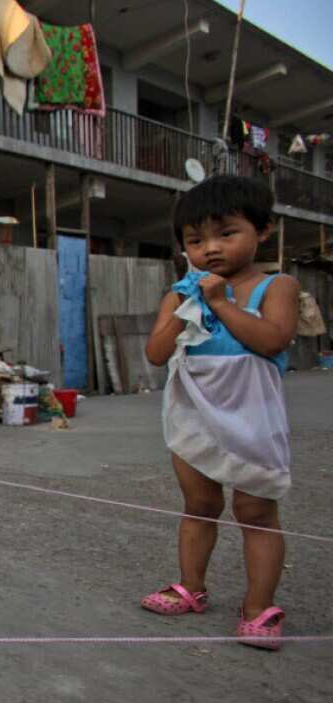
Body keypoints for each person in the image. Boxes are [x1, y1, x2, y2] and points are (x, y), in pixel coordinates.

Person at [143, 175, 300, 650]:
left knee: (256, 510)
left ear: (263, 230)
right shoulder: (179, 294)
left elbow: (272, 340)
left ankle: (259, 608)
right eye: (195, 240)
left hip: (251, 412)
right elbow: (155, 353)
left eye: (226, 234)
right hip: (193, 409)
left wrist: (219, 303)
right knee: (200, 505)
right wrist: (189, 305)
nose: (210, 249)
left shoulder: (277, 286)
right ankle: (191, 586)